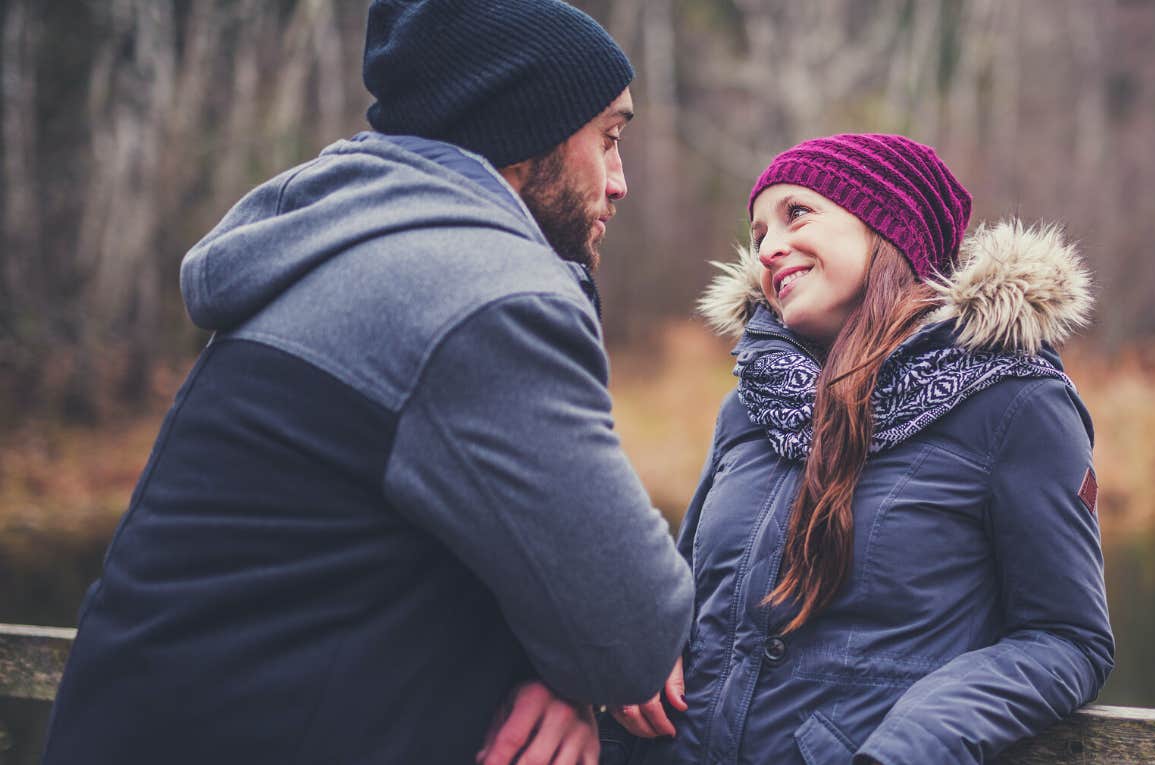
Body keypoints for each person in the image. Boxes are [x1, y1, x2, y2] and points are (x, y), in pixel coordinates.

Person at [42, 2, 693, 764]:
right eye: (609, 140)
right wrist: (580, 658)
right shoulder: (480, 292)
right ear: (524, 133)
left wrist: (549, 666)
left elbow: (362, 560)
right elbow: (634, 629)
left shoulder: (339, 244)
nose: (620, 181)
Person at [598, 134, 1114, 764]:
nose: (768, 248)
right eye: (758, 232)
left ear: (887, 224)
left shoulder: (1013, 404)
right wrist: (650, 645)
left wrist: (915, 743)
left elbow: (1065, 638)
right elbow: (689, 594)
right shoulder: (752, 403)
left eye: (797, 214)